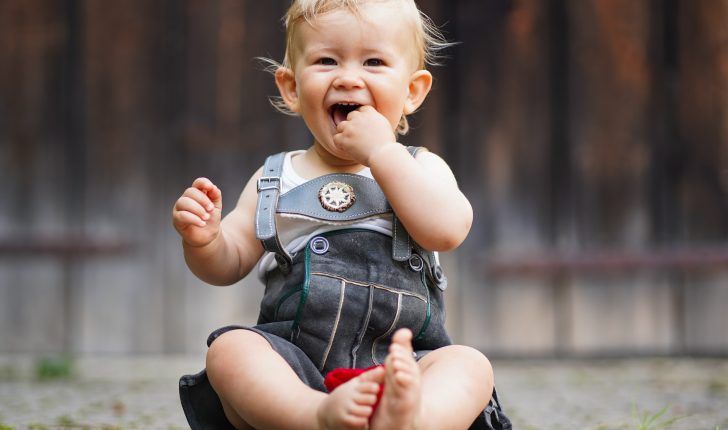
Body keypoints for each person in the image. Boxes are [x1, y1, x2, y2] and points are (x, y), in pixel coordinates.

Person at [174, 1, 511, 428]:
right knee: (230, 350)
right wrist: (204, 240)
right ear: (292, 87)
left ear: (412, 91)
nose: (349, 77)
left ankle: (412, 419)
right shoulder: (276, 178)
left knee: (469, 364)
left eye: (373, 61)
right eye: (326, 60)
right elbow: (230, 261)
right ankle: (315, 415)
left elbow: (447, 230)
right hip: (295, 367)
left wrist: (381, 152)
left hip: (402, 362)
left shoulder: (421, 167)